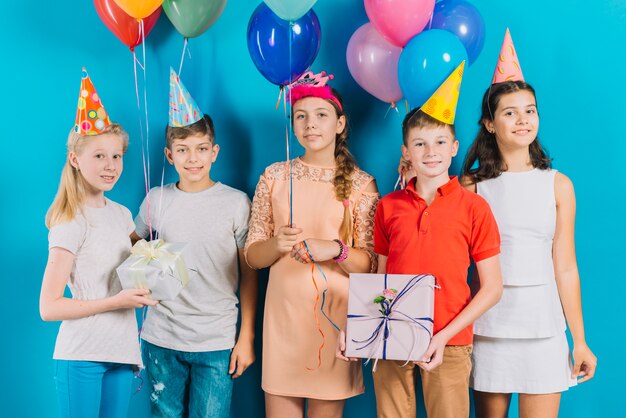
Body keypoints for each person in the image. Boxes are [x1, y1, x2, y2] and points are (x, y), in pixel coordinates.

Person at [340, 61, 503, 418]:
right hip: (392, 334)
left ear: (454, 147)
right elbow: (380, 279)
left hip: (451, 338)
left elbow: (492, 288)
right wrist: (358, 328)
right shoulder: (388, 206)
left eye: (440, 141)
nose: (431, 152)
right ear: (406, 152)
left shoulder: (475, 208)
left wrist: (444, 336)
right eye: (420, 143)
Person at [461, 29, 597, 418]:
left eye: (530, 110)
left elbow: (565, 266)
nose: (523, 120)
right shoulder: (471, 185)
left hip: (543, 324)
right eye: (509, 112)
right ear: (489, 124)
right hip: (489, 323)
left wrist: (580, 340)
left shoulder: (558, 184)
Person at [244, 71, 379, 418]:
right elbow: (252, 257)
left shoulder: (362, 185)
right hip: (283, 321)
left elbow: (372, 265)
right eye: (301, 116)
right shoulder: (274, 177)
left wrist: (336, 249)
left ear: (340, 123)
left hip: (337, 321)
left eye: (321, 115)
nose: (310, 124)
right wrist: (277, 244)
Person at [131, 69, 257, 418]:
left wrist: (245, 336)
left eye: (201, 149)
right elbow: (131, 243)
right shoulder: (156, 200)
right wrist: (143, 268)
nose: (193, 158)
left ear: (214, 152)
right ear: (169, 156)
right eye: (183, 150)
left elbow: (249, 274)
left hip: (216, 339)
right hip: (161, 336)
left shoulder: (235, 203)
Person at [40, 68, 157, 418]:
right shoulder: (70, 219)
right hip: (82, 355)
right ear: (75, 160)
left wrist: (155, 263)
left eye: (117, 156)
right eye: (99, 156)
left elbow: (129, 272)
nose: (110, 166)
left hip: (120, 353)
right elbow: (49, 307)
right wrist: (116, 301)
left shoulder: (121, 215)